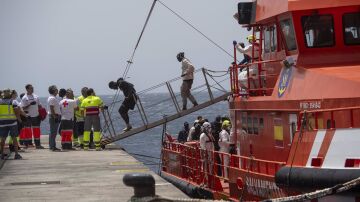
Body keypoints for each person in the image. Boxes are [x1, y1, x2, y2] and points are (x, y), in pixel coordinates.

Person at [0, 89, 22, 160]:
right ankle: (16, 154)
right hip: (12, 122)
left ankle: (2, 154)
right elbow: (16, 111)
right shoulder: (13, 101)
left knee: (3, 138)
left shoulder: (0, 101)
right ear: (10, 94)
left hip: (2, 123)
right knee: (14, 138)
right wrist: (19, 119)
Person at [21, 84, 44, 149]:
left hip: (36, 116)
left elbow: (39, 105)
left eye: (32, 88)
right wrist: (30, 104)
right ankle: (28, 144)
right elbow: (22, 108)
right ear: (27, 89)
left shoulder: (36, 96)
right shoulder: (24, 98)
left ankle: (38, 144)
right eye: (31, 88)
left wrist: (42, 113)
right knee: (27, 131)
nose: (32, 89)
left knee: (36, 130)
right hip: (28, 116)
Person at [199, 122, 215, 187]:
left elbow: (212, 144)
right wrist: (204, 155)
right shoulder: (203, 135)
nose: (209, 129)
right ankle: (206, 182)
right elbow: (202, 146)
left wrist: (213, 152)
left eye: (209, 127)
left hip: (210, 153)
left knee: (210, 167)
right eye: (208, 127)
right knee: (205, 168)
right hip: (206, 154)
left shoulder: (210, 134)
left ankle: (210, 181)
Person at [47, 85, 61, 151]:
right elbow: (51, 108)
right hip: (54, 116)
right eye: (56, 89)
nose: (57, 91)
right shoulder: (52, 98)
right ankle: (52, 146)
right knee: (53, 132)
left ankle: (52, 146)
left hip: (54, 115)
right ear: (53, 91)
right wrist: (55, 116)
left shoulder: (52, 98)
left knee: (53, 132)